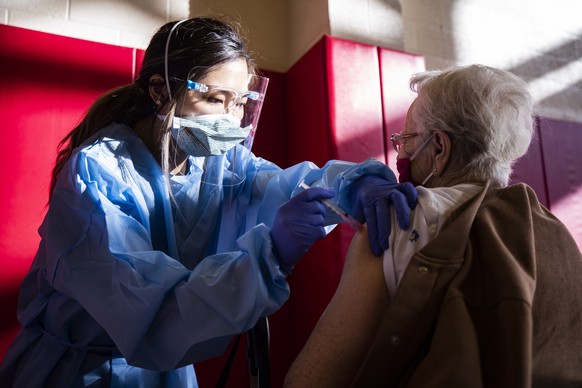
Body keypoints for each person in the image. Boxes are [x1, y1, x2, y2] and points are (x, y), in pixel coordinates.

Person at [0, 17, 418, 387]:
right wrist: (268, 254)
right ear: (161, 90)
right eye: (216, 99)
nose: (231, 120)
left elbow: (282, 183)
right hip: (81, 372)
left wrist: (355, 184)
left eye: (241, 102)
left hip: (166, 373)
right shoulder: (98, 173)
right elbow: (150, 316)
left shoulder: (219, 162)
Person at [284, 64, 582, 387]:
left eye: (406, 140)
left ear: (439, 149)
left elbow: (310, 380)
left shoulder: (397, 225)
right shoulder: (558, 238)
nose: (401, 152)